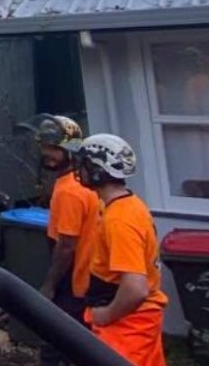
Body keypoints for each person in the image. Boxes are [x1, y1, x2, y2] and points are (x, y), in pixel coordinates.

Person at [68, 133, 168, 366]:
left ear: (96, 171)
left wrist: (106, 314)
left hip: (126, 325)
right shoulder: (129, 205)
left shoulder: (119, 220)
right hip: (141, 318)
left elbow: (135, 288)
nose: (78, 171)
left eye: (83, 165)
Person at [16, 114, 99, 366]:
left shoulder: (70, 191)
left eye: (54, 148)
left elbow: (66, 246)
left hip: (74, 283)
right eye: (44, 146)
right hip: (86, 281)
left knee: (54, 348)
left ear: (70, 150)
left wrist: (49, 285)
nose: (47, 153)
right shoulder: (80, 183)